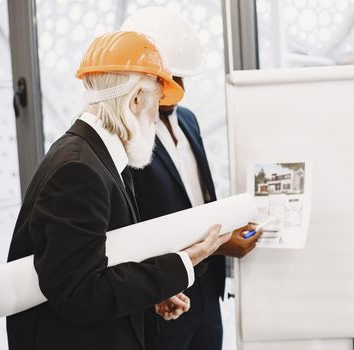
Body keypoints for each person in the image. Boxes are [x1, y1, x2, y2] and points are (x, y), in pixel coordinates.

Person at [5, 31, 231, 350]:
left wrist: (149, 297)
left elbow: (98, 268)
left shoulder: (95, 156)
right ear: (136, 99)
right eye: (156, 104)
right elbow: (79, 293)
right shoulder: (78, 170)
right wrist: (183, 261)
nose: (155, 118)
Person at [122, 8, 263, 350]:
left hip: (206, 288)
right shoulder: (125, 136)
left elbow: (198, 198)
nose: (180, 88)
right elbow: (133, 227)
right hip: (166, 295)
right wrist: (215, 244)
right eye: (172, 79)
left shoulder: (188, 120)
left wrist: (223, 235)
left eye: (184, 79)